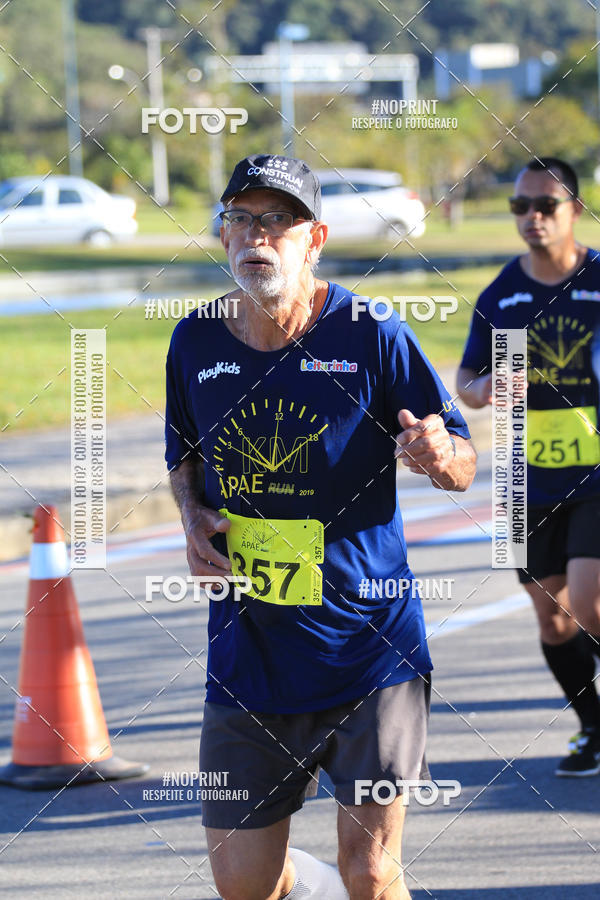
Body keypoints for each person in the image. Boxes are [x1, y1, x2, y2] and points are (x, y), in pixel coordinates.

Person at [165, 153, 476, 899]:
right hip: (248, 656)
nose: (255, 237)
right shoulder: (195, 340)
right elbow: (182, 450)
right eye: (240, 219)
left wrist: (438, 453)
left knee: (369, 874)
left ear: (317, 238)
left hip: (370, 653)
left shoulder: (372, 334)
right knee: (245, 888)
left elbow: (462, 458)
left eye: (277, 220)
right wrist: (189, 514)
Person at [457, 157, 600, 777]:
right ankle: (593, 726)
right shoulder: (502, 295)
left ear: (574, 210)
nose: (532, 218)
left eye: (546, 206)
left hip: (596, 471)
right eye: (521, 207)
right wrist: (484, 389)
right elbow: (465, 378)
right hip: (523, 474)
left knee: (591, 603)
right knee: (553, 615)